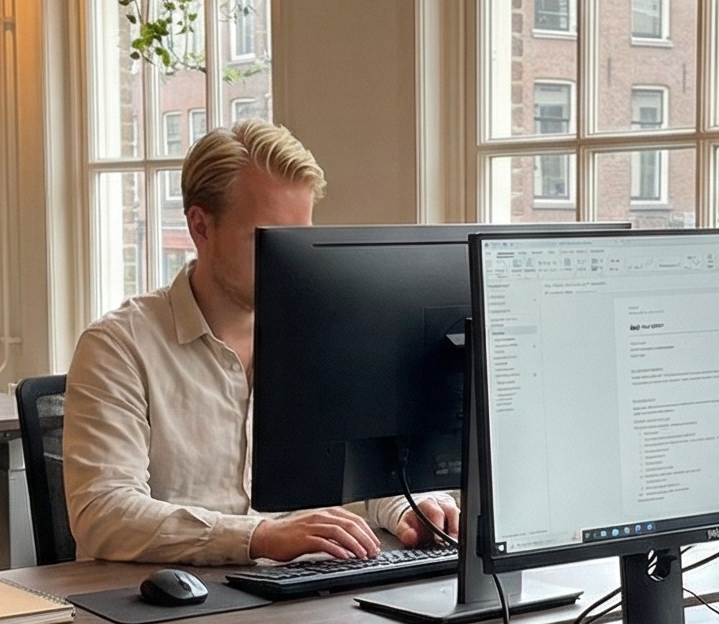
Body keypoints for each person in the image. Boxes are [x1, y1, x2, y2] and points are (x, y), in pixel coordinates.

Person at [63, 120, 457, 563]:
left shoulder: (329, 336)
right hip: (162, 615)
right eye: (266, 239)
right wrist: (260, 536)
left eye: (299, 238)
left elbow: (360, 470)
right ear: (200, 226)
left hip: (292, 607)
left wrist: (406, 505)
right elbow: (103, 514)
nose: (286, 259)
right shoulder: (119, 347)